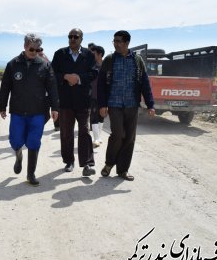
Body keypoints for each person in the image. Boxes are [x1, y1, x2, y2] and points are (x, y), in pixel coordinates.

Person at [0, 33, 59, 186]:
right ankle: (18, 156)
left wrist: (55, 107)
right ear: (25, 47)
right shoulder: (13, 64)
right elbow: (5, 87)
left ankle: (30, 173)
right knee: (16, 140)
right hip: (18, 111)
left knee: (33, 141)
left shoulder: (44, 65)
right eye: (32, 49)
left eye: (37, 50)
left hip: (38, 111)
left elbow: (52, 87)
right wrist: (2, 106)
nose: (34, 52)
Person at [97, 30, 155, 181]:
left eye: (118, 41)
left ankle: (123, 170)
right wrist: (102, 104)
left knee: (129, 138)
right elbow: (101, 84)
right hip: (114, 104)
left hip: (131, 104)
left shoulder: (137, 60)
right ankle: (109, 163)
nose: (115, 44)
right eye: (114, 41)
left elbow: (145, 83)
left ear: (127, 43)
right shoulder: (109, 60)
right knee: (117, 135)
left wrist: (150, 104)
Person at [51, 28, 98, 177]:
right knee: (66, 133)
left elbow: (94, 72)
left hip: (83, 101)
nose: (72, 39)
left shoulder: (89, 55)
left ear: (81, 39)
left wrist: (78, 78)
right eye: (70, 36)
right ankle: (69, 161)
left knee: (84, 131)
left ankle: (87, 164)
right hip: (65, 101)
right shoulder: (60, 54)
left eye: (75, 36)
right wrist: (65, 77)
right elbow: (52, 74)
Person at [90, 44, 105, 147]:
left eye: (93, 54)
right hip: (93, 96)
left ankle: (99, 137)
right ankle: (96, 138)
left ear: (100, 54)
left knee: (101, 116)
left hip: (104, 97)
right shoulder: (91, 66)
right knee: (94, 116)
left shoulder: (106, 66)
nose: (92, 55)